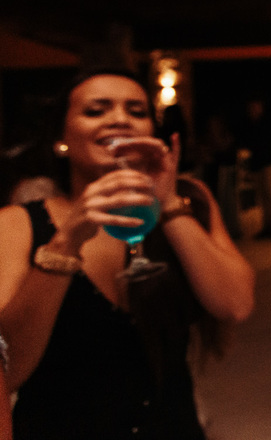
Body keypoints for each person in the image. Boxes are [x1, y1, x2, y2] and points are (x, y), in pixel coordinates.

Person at [0, 69, 255, 440]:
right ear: (60, 139)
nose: (119, 119)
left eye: (136, 111)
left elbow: (235, 305)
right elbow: (9, 371)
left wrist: (166, 201)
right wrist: (66, 243)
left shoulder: (188, 199)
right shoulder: (17, 224)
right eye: (96, 111)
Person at [233, 95, 271, 239]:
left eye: (255, 107)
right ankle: (267, 227)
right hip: (257, 164)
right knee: (262, 196)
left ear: (261, 107)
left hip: (270, 162)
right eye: (251, 108)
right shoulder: (249, 125)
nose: (253, 110)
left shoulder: (268, 124)